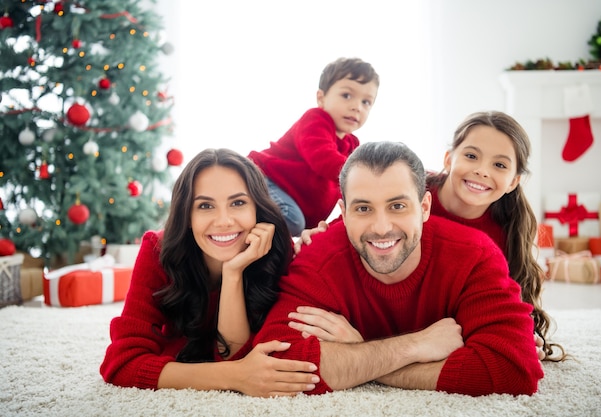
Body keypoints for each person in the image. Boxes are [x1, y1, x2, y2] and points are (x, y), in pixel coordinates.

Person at [253, 141, 544, 396]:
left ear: (425, 207)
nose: (381, 228)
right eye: (363, 209)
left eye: (397, 207)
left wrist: (362, 355)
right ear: (343, 213)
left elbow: (513, 370)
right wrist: (414, 347)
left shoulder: (474, 254)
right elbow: (277, 362)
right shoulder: (320, 257)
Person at [297, 111, 565, 362]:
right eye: (471, 156)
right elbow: (363, 215)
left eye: (499, 164)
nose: (483, 170)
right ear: (448, 159)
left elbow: (501, 301)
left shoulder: (507, 231)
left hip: (446, 317)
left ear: (514, 181)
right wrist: (321, 236)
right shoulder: (414, 194)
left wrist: (517, 335)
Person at [100, 148, 320, 398]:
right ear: (188, 215)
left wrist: (234, 272)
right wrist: (236, 375)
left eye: (238, 203)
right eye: (205, 206)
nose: (224, 221)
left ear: (257, 209)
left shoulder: (277, 252)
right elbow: (122, 364)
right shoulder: (158, 251)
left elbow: (235, 354)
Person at [248, 57, 379, 236]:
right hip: (265, 179)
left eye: (366, 102)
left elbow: (349, 187)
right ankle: (240, 216)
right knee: (292, 220)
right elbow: (324, 160)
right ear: (321, 98)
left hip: (292, 202)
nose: (356, 107)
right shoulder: (316, 120)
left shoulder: (352, 145)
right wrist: (367, 174)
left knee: (298, 226)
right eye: (347, 95)